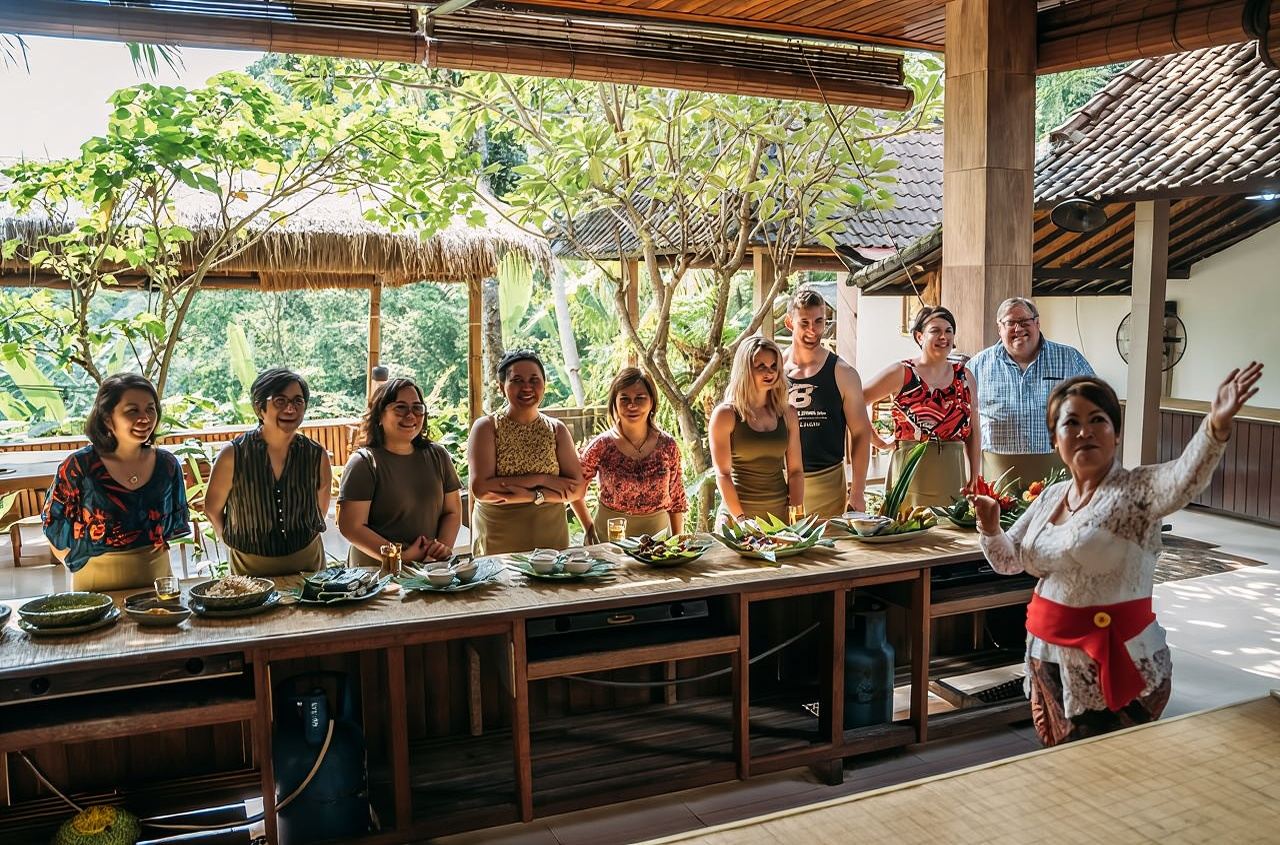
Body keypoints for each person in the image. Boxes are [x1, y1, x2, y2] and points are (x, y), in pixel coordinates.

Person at [973, 363, 1263, 747]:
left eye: (1098, 419)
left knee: (1110, 776)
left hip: (1116, 660)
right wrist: (990, 528)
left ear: (1116, 432)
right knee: (1062, 769)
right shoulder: (1049, 498)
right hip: (1048, 656)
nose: (1085, 431)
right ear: (1055, 440)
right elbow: (1010, 562)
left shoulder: (1135, 492)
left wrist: (1216, 425)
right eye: (1071, 423)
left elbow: (1182, 478)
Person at [42, 373, 190, 591]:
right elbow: (53, 521)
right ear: (107, 418)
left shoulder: (167, 465)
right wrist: (82, 563)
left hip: (156, 580)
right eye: (132, 410)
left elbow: (172, 525)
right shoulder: (80, 467)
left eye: (150, 408)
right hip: (96, 584)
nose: (145, 418)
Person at [204, 368, 330, 576]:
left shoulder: (316, 455)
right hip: (249, 565)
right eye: (280, 401)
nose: (291, 409)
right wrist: (233, 542)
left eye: (298, 401)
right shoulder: (233, 455)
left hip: (307, 560)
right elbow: (212, 508)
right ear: (259, 408)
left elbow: (320, 508)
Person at [969, 296, 1095, 488]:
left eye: (1024, 321)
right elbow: (964, 420)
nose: (1018, 329)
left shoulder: (1069, 359)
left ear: (1037, 322)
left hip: (1057, 473)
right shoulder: (978, 365)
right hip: (996, 476)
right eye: (1010, 323)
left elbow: (1096, 404)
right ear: (999, 328)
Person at [863, 306, 981, 510]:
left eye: (949, 330)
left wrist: (975, 474)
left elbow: (974, 428)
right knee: (908, 532)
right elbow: (856, 401)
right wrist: (878, 442)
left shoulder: (965, 376)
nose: (943, 336)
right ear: (919, 336)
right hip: (909, 468)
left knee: (951, 536)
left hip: (953, 469)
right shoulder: (902, 372)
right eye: (935, 331)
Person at [468, 350, 584, 555]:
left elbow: (576, 489)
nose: (527, 387)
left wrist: (532, 494)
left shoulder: (556, 429)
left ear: (544, 385)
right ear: (501, 387)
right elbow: (482, 489)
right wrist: (546, 481)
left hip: (551, 536)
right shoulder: (486, 427)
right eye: (517, 380)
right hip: (498, 537)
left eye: (534, 380)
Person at [338, 378, 462, 567]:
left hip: (428, 569)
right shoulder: (364, 463)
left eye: (417, 408)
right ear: (379, 415)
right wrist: (399, 556)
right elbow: (351, 527)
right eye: (400, 408)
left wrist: (440, 549)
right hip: (375, 573)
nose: (411, 416)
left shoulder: (438, 455)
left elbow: (452, 511)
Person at [782, 286, 872, 517]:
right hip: (778, 483)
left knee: (826, 551)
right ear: (789, 322)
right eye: (804, 323)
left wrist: (858, 491)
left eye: (819, 321)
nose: (813, 330)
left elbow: (861, 432)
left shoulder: (843, 373)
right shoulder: (775, 370)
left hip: (827, 481)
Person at [571, 368, 687, 543]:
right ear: (614, 403)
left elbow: (677, 500)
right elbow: (575, 489)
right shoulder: (601, 445)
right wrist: (589, 528)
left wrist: (677, 542)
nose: (632, 405)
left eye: (640, 398)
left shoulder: (667, 445)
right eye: (624, 399)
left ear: (652, 402)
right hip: (609, 540)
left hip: (658, 543)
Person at [709, 335, 804, 524]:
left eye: (773, 366)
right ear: (745, 369)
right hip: (737, 519)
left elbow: (795, 472)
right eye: (760, 366)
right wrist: (742, 520)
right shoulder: (725, 415)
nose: (769, 372)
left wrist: (798, 517)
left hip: (780, 518)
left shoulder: (788, 414)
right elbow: (723, 474)